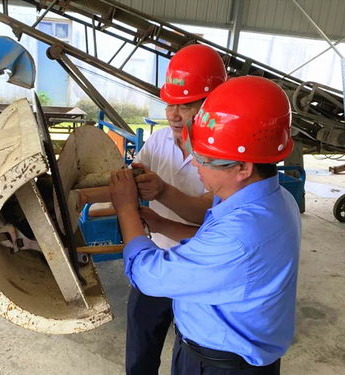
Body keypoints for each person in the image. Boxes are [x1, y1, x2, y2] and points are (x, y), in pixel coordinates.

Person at [110, 76, 301, 375]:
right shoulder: (276, 200)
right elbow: (213, 242)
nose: (195, 164)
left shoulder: (241, 235)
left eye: (205, 158)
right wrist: (162, 225)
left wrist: (126, 210)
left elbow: (147, 275)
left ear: (243, 167)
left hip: (218, 365)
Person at [125, 44, 227, 375]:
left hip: (200, 270)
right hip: (157, 260)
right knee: (141, 349)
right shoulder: (157, 142)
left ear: (212, 105)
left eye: (186, 105)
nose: (173, 113)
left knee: (190, 355)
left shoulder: (223, 158)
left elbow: (208, 214)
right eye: (170, 103)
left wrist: (163, 192)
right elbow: (133, 177)